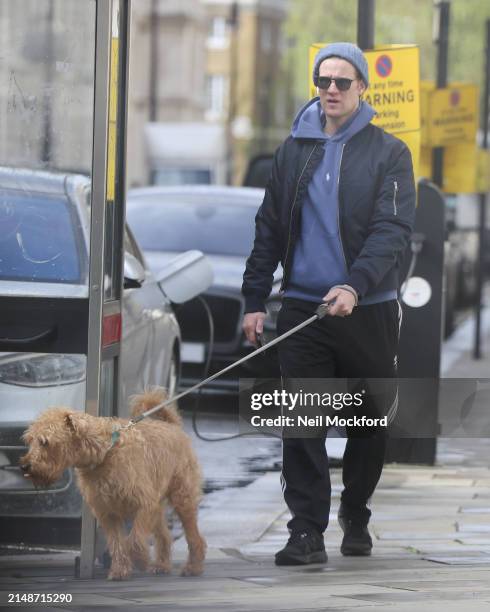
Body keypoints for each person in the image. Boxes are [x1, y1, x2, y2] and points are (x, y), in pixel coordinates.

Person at [242, 42, 416, 566]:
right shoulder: (293, 150)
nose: (332, 90)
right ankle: (306, 531)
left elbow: (392, 231)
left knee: (367, 420)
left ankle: (355, 514)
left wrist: (356, 285)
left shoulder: (390, 152)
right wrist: (254, 297)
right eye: (324, 81)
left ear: (363, 86)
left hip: (370, 308)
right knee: (303, 421)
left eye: (343, 81)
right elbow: (269, 225)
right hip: (303, 308)